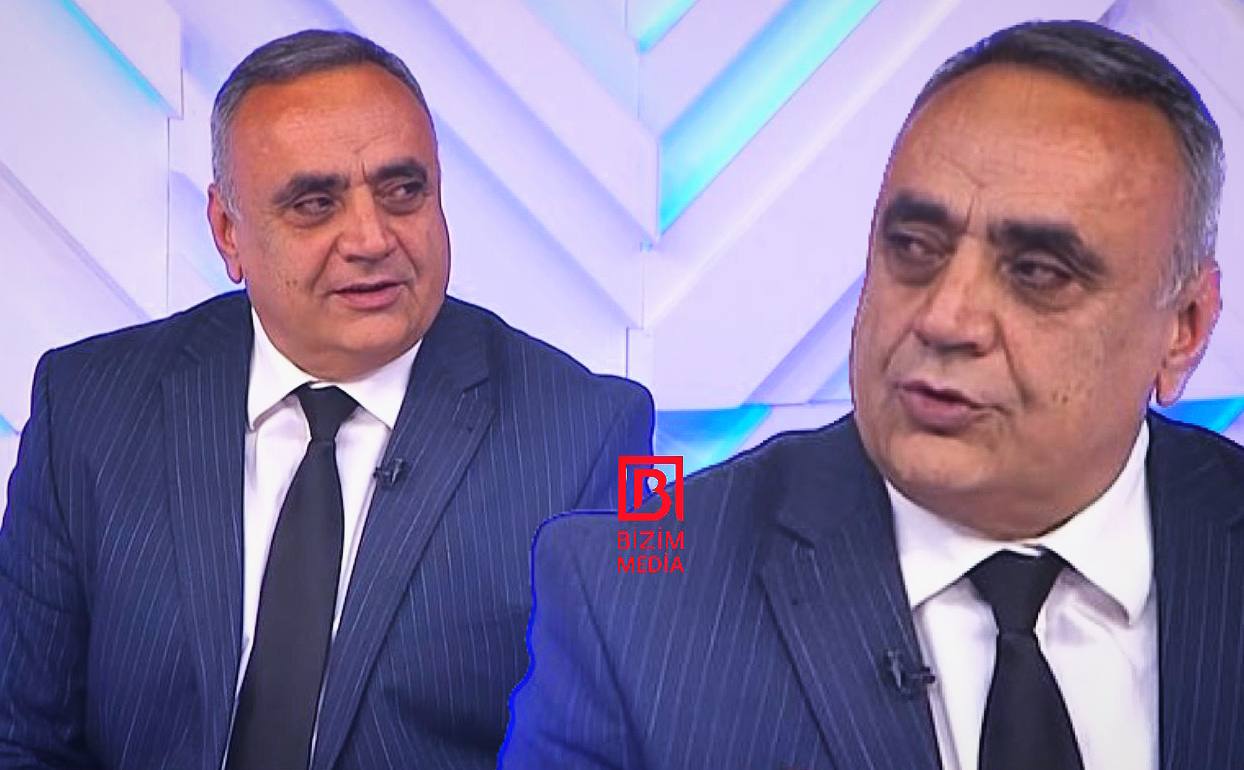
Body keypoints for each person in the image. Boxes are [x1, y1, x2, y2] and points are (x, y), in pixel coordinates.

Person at [502, 20, 1242, 770]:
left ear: (1183, 328)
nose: (944, 318)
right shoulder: (629, 600)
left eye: (1038, 273)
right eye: (914, 247)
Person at [0, 29, 652, 770]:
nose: (371, 238)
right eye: (315, 203)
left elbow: (644, 737)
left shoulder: (604, 432)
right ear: (227, 232)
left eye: (403, 191)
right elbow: (19, 734)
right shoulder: (85, 405)